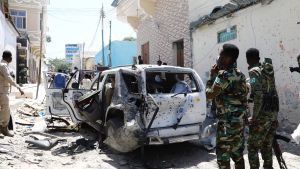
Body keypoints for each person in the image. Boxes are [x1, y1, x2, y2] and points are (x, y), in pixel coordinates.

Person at [206, 44, 248, 169]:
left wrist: (212, 76)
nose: (218, 57)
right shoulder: (241, 75)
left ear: (228, 58)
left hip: (226, 124)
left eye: (221, 55)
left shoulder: (223, 76)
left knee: (223, 158)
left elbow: (209, 95)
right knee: (238, 155)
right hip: (239, 123)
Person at [246, 48, 279, 169]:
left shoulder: (254, 72)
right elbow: (274, 92)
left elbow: (259, 96)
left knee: (252, 147)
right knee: (266, 145)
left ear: (248, 59)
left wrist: (254, 117)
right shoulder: (267, 70)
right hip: (272, 114)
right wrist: (275, 116)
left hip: (262, 116)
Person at [0, 51, 24, 137]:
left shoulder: (4, 65)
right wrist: (18, 87)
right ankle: (4, 129)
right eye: (11, 57)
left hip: (3, 91)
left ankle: (3, 129)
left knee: (4, 110)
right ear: (9, 57)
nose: (11, 59)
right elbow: (8, 78)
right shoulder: (3, 65)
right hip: (2, 92)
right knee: (6, 110)